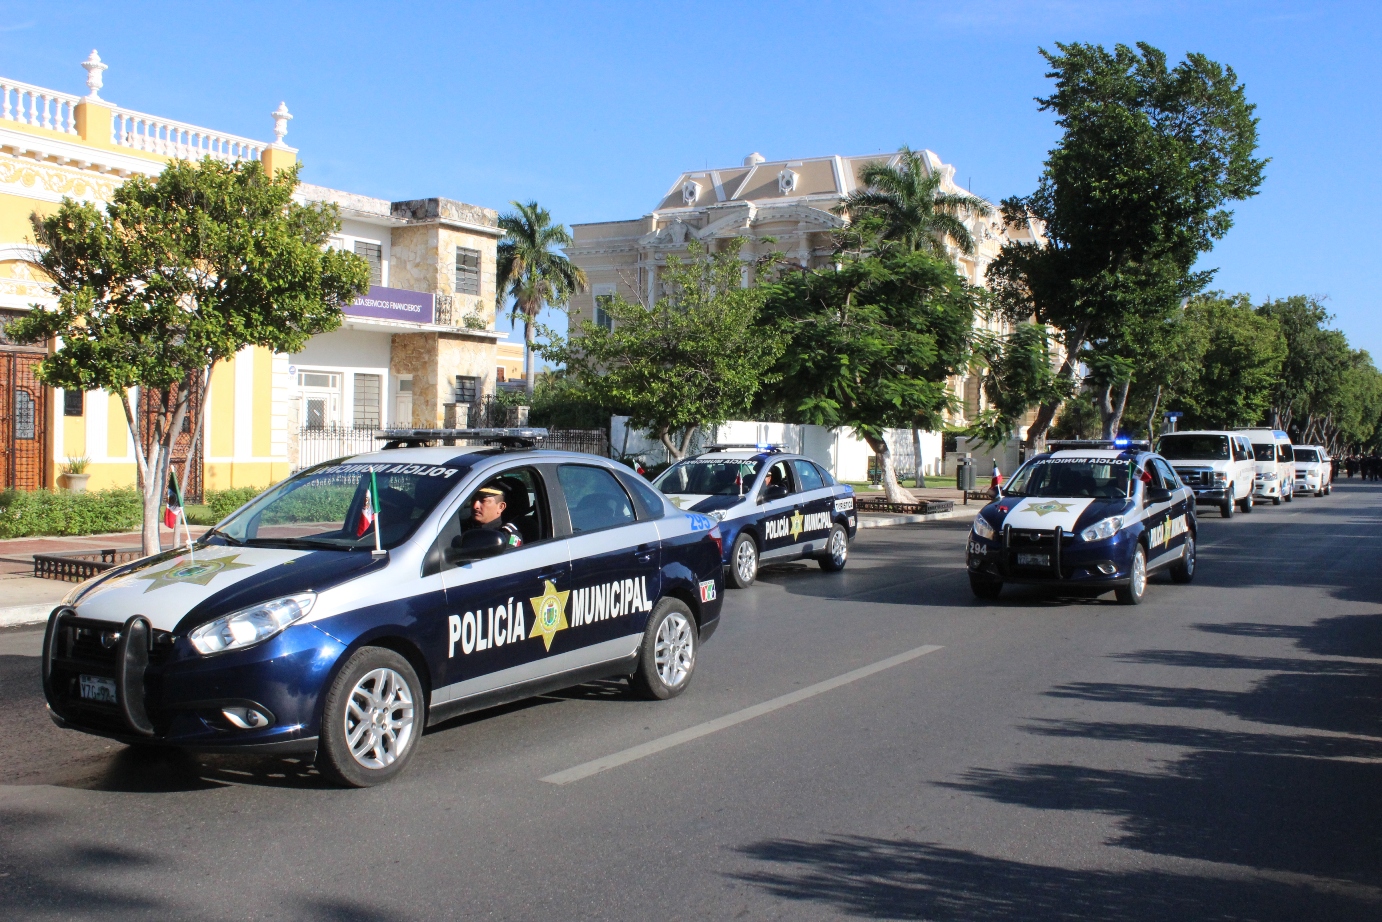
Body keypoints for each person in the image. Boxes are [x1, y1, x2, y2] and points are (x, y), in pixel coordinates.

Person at [463, 481, 523, 547]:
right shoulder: (462, 525)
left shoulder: (506, 537)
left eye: (483, 501)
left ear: (501, 507)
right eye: (473, 500)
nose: (475, 506)